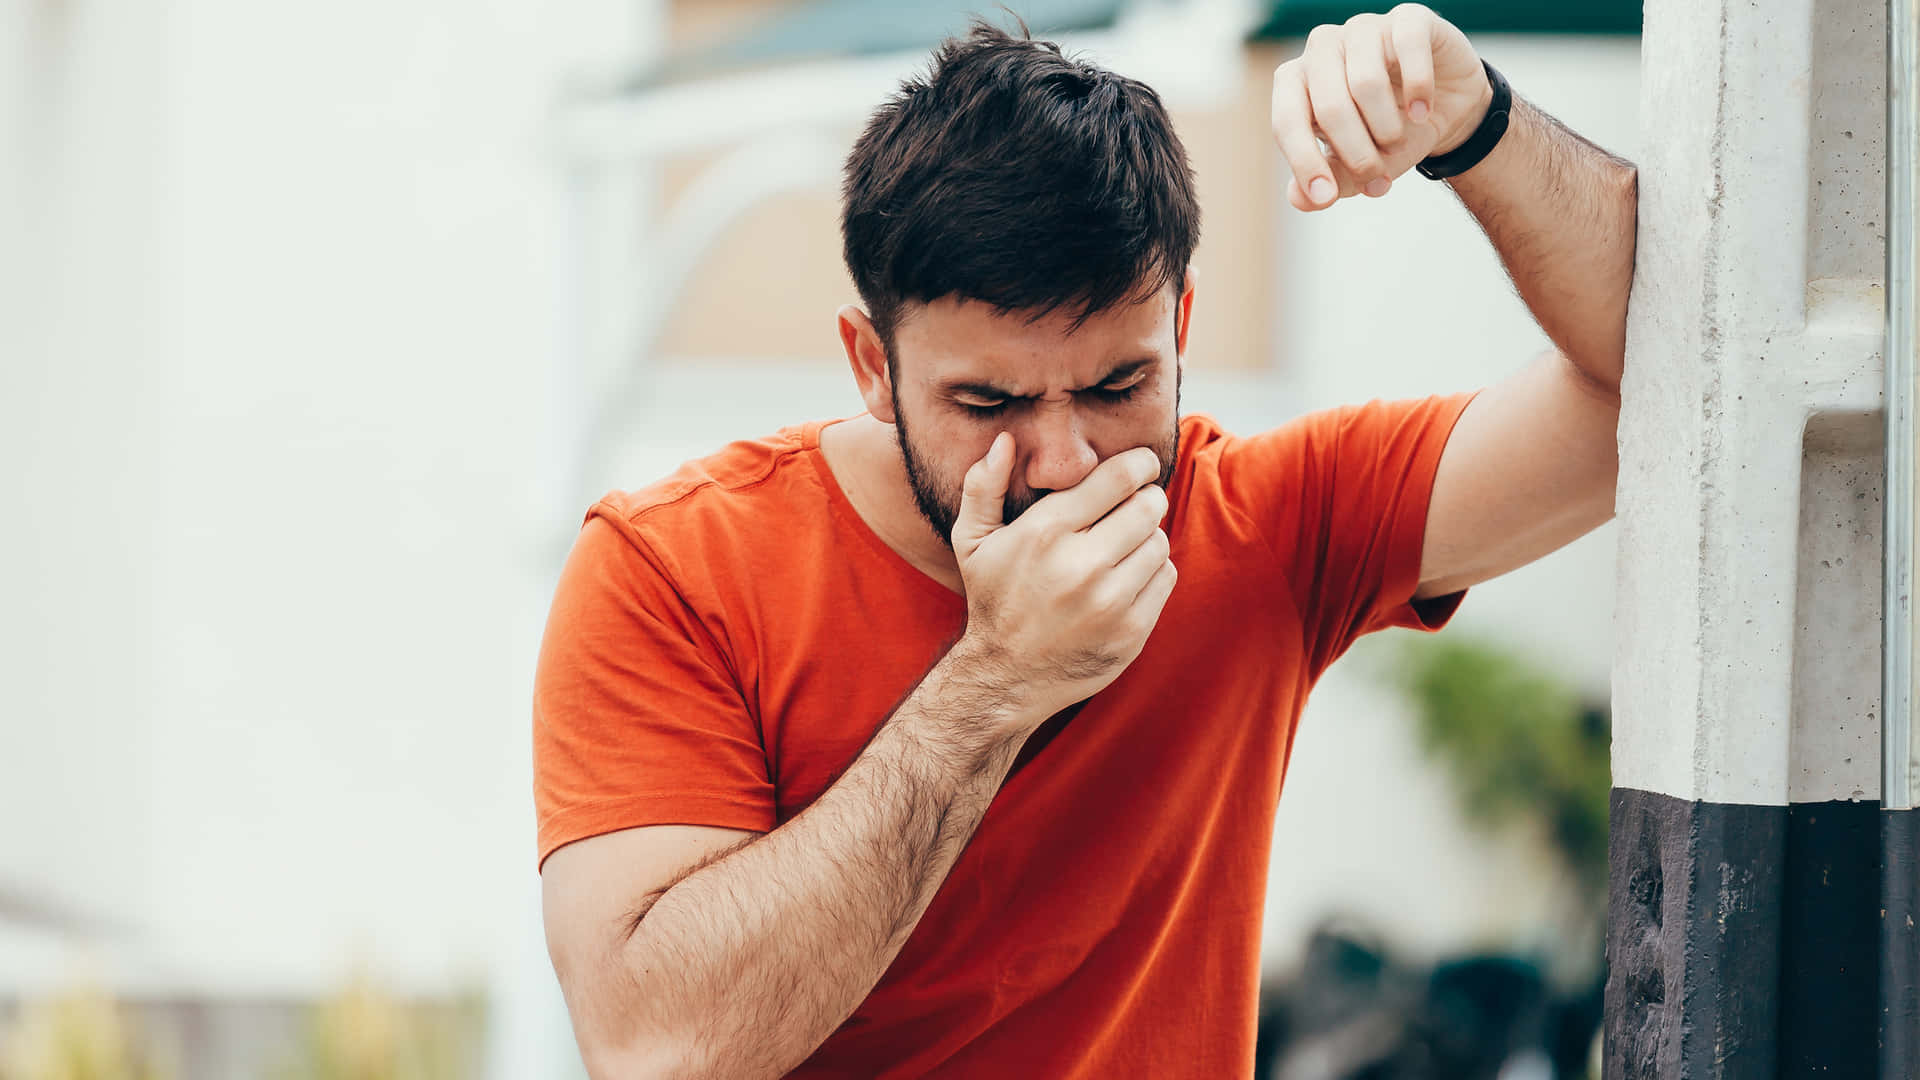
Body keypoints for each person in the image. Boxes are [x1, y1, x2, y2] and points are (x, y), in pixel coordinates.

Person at [533, 5, 1636, 1077]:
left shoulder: (1268, 520)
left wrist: (1479, 125)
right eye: (988, 401)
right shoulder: (674, 569)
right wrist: (995, 683)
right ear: (873, 367)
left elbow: (1667, 387)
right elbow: (657, 1047)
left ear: (1183, 328)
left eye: (1118, 384)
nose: (1064, 461)